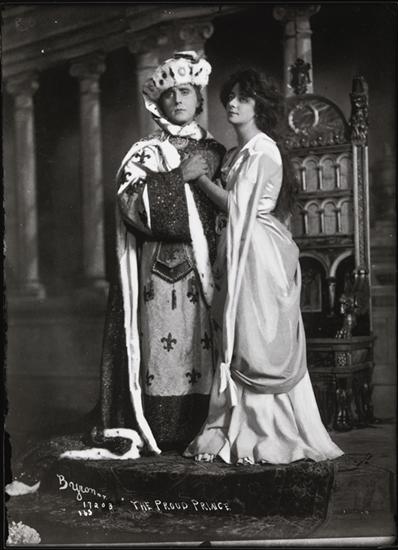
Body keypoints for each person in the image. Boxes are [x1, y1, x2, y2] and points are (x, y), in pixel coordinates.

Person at [183, 69, 343, 465]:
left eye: (243, 97)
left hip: (258, 255)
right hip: (242, 247)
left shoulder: (263, 150)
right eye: (230, 97)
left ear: (260, 105)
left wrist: (199, 179)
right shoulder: (241, 152)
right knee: (240, 335)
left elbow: (238, 206)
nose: (232, 103)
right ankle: (239, 425)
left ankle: (268, 432)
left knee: (256, 336)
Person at [96, 51, 226, 456]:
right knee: (160, 349)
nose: (178, 99)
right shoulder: (145, 152)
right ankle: (160, 429)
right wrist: (179, 179)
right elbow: (130, 206)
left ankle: (205, 427)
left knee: (202, 349)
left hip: (208, 269)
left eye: (186, 91)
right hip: (158, 269)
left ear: (198, 98)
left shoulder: (216, 151)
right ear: (158, 102)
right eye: (170, 94)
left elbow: (228, 208)